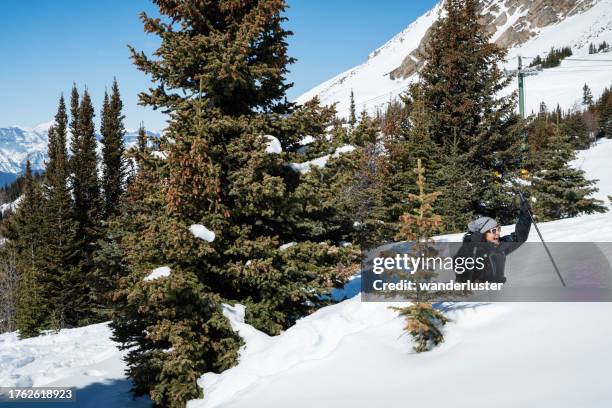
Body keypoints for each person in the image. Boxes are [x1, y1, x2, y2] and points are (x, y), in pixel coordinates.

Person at [455, 198, 532, 283]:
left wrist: (525, 215)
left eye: (498, 229)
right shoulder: (470, 249)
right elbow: (460, 273)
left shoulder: (498, 246)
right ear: (483, 233)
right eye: (494, 231)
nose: (498, 233)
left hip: (498, 293)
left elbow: (519, 237)